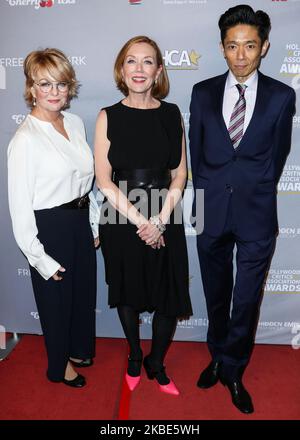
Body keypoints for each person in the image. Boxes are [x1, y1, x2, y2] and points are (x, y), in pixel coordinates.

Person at [189, 5, 295, 413]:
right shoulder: (202, 92)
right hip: (211, 210)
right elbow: (197, 155)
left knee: (246, 299)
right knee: (216, 294)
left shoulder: (283, 96)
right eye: (232, 46)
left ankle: (234, 367)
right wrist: (209, 196)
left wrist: (251, 188)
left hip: (256, 215)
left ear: (264, 47)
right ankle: (217, 354)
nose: (241, 55)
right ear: (222, 47)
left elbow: (278, 156)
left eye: (249, 45)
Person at [95, 36, 192, 396]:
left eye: (147, 62)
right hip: (122, 213)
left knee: (169, 291)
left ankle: (157, 361)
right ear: (122, 70)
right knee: (128, 291)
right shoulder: (108, 116)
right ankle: (135, 355)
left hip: (166, 208)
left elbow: (180, 173)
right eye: (131, 61)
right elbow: (103, 179)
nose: (139, 69)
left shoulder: (171, 113)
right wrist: (141, 222)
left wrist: (161, 220)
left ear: (158, 71)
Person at [7, 48, 100, 388]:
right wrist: (40, 259)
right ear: (31, 88)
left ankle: (77, 348)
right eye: (44, 84)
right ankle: (58, 366)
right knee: (55, 302)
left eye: (61, 84)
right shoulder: (25, 140)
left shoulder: (74, 123)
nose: (54, 92)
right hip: (48, 229)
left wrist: (91, 223)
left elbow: (83, 183)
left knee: (81, 294)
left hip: (77, 222)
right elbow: (20, 209)